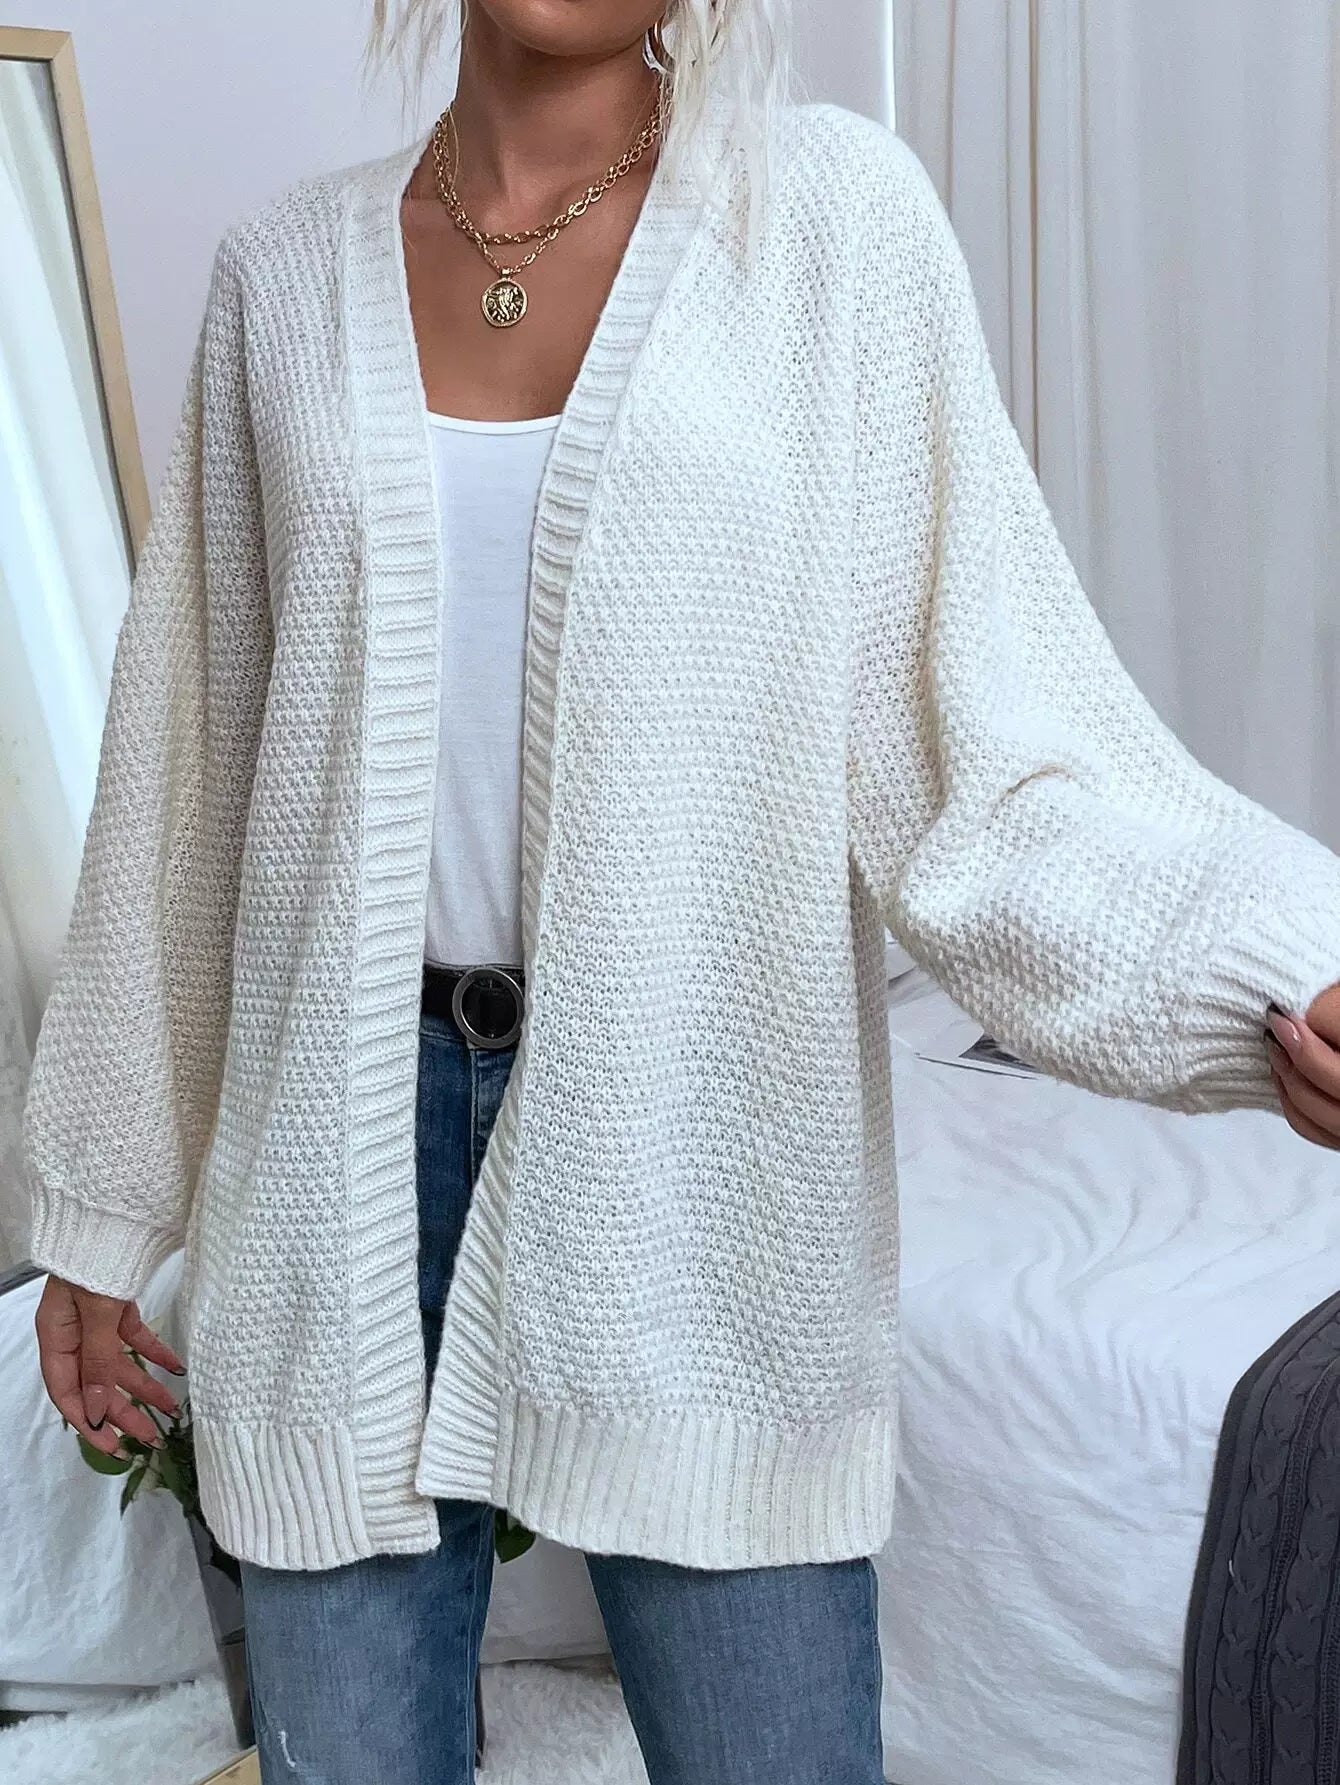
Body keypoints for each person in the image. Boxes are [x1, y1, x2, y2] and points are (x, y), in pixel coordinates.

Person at [22, 2, 1340, 1781]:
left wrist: (1278, 969)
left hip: (703, 1137)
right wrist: (104, 1206)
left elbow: (994, 733)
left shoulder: (831, 225)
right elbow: (187, 781)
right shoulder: (283, 277)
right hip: (329, 1148)